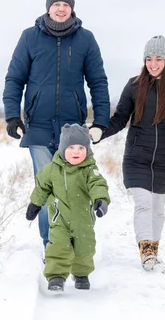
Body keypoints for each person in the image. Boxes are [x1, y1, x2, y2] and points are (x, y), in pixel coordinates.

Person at [3, 0, 109, 250]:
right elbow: (15, 79)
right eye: (56, 4)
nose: (61, 8)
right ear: (48, 7)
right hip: (38, 126)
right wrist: (12, 116)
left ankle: (71, 239)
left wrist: (101, 122)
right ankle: (51, 244)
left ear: (72, 8)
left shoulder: (86, 39)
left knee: (73, 187)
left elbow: (98, 82)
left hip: (72, 131)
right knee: (47, 185)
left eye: (66, 4)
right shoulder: (30, 37)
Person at [94, 35, 165, 270]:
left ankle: (152, 249)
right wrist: (100, 131)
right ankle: (146, 250)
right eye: (149, 58)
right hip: (137, 157)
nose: (153, 63)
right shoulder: (134, 85)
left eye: (158, 59)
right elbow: (119, 119)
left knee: (158, 209)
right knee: (144, 205)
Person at [26, 124, 110, 291]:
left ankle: (81, 274)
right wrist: (35, 204)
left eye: (81, 147)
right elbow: (42, 186)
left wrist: (101, 200)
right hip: (60, 217)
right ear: (63, 148)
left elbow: (97, 184)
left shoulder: (89, 169)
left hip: (83, 217)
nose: (76, 152)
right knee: (58, 245)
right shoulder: (52, 169)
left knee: (84, 247)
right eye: (71, 147)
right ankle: (56, 276)